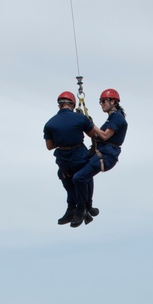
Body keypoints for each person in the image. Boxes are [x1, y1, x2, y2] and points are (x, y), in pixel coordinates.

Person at [72, 88, 128, 219]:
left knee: (78, 178)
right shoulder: (112, 119)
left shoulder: (117, 117)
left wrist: (89, 123)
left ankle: (82, 209)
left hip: (106, 155)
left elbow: (104, 136)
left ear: (113, 101)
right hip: (103, 153)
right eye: (100, 102)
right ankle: (88, 207)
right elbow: (97, 135)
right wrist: (85, 124)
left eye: (103, 101)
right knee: (82, 173)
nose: (102, 104)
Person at [43, 91, 96, 227]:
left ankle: (72, 209)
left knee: (65, 177)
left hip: (63, 158)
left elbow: (50, 146)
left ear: (59, 105)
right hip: (79, 154)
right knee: (83, 177)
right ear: (73, 104)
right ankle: (84, 207)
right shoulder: (80, 118)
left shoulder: (50, 123)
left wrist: (62, 138)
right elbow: (92, 134)